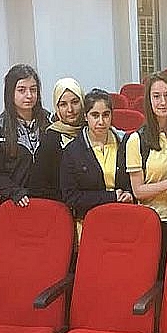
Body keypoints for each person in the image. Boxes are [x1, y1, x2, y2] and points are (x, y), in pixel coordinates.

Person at [125, 72, 167, 277]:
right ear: (149, 100)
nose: (162, 102)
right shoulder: (136, 140)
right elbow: (138, 191)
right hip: (152, 223)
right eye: (156, 96)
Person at [60, 89, 133, 234]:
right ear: (86, 116)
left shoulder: (126, 143)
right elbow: (71, 197)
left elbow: (135, 181)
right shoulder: (72, 151)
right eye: (95, 115)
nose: (101, 121)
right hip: (89, 222)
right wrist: (112, 197)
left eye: (106, 115)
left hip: (124, 217)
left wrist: (130, 193)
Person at [0, 64, 51, 206]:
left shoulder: (50, 122)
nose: (29, 95)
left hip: (49, 201)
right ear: (10, 93)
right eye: (22, 90)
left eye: (33, 89)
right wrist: (14, 192)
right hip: (16, 201)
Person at [31, 77, 86, 201]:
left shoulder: (92, 131)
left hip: (93, 201)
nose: (70, 109)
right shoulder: (50, 138)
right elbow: (38, 186)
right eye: (63, 104)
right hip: (61, 203)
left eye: (75, 102)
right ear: (57, 108)